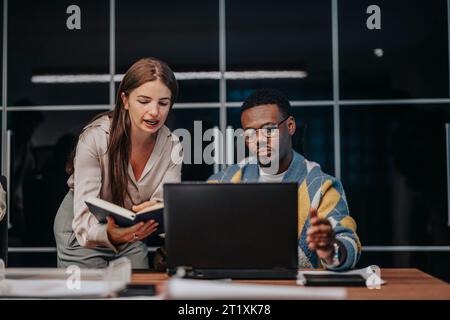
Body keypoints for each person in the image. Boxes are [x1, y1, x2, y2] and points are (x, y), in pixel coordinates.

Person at [208, 89, 361, 270]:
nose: (259, 140)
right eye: (250, 133)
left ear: (290, 126)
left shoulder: (321, 186)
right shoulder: (223, 181)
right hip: (239, 289)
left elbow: (349, 243)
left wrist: (330, 250)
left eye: (269, 129)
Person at [54, 57, 182, 269]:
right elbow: (84, 217)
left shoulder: (173, 145)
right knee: (92, 293)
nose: (154, 112)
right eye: (143, 101)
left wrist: (159, 209)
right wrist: (108, 233)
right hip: (82, 230)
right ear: (125, 99)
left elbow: (165, 207)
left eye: (163, 103)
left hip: (131, 230)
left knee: (137, 290)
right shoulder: (95, 138)